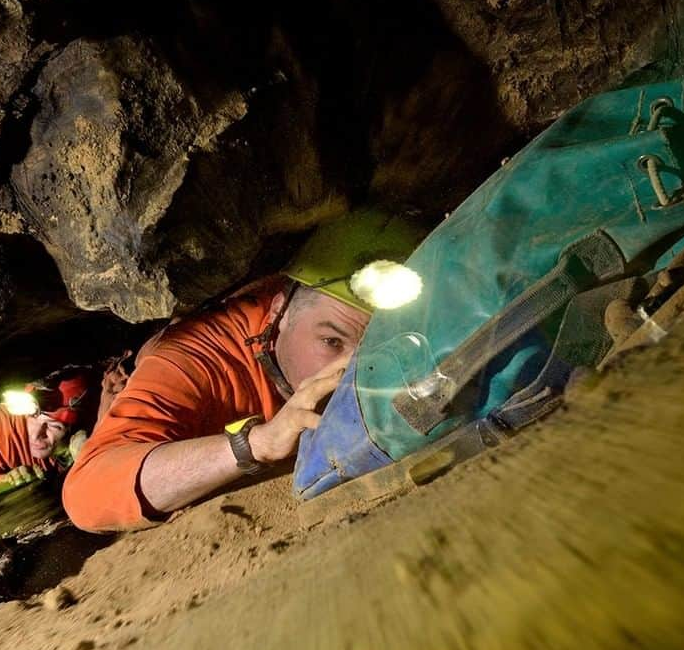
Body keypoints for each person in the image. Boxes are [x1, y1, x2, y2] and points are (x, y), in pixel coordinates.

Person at [63, 208, 428, 532]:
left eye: (374, 345)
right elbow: (86, 494)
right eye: (332, 342)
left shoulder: (316, 308)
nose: (352, 367)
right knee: (98, 448)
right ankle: (93, 429)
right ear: (278, 315)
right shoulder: (197, 361)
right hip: (144, 374)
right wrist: (256, 443)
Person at [0, 368, 96, 489]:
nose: (36, 435)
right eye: (33, 416)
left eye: (54, 426)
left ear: (73, 428)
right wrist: (3, 481)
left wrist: (90, 457)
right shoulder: (5, 425)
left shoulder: (95, 426)